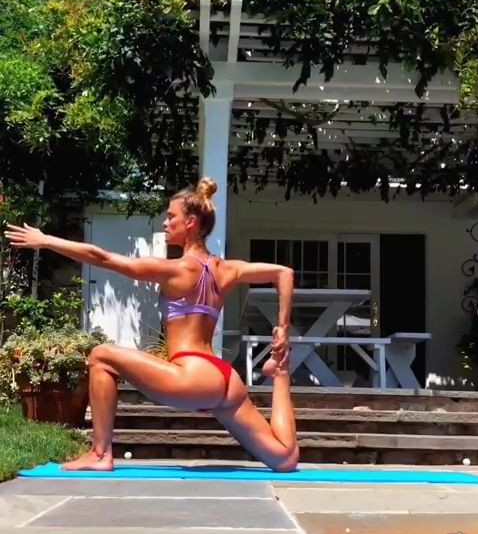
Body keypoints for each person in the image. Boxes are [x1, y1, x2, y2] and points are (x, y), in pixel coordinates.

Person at [5, 178, 299, 472]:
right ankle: (281, 374)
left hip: (190, 376)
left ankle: (100, 453)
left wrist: (46, 240)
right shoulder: (228, 268)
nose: (165, 222)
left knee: (101, 356)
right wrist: (282, 329)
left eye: (171, 216)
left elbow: (101, 257)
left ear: (191, 222)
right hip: (223, 379)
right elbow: (283, 273)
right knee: (284, 459)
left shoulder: (174, 270)